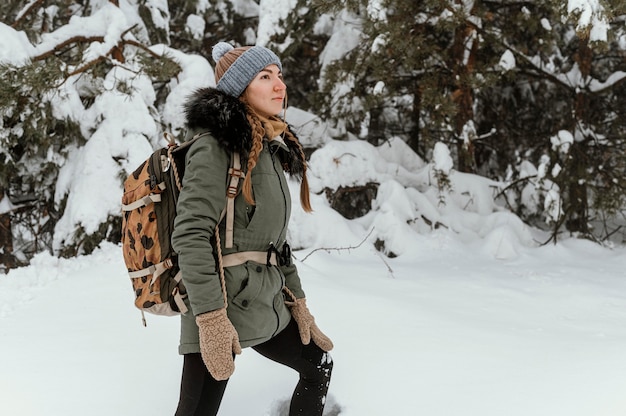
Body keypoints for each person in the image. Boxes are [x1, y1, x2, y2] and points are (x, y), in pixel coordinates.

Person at [171, 41, 334, 416]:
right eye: (265, 77)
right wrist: (210, 318)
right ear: (240, 89)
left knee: (318, 365)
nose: (280, 85)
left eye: (279, 75)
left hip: (266, 302)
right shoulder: (215, 146)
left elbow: (276, 242)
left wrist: (299, 303)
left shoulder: (268, 147)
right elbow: (191, 234)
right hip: (221, 305)